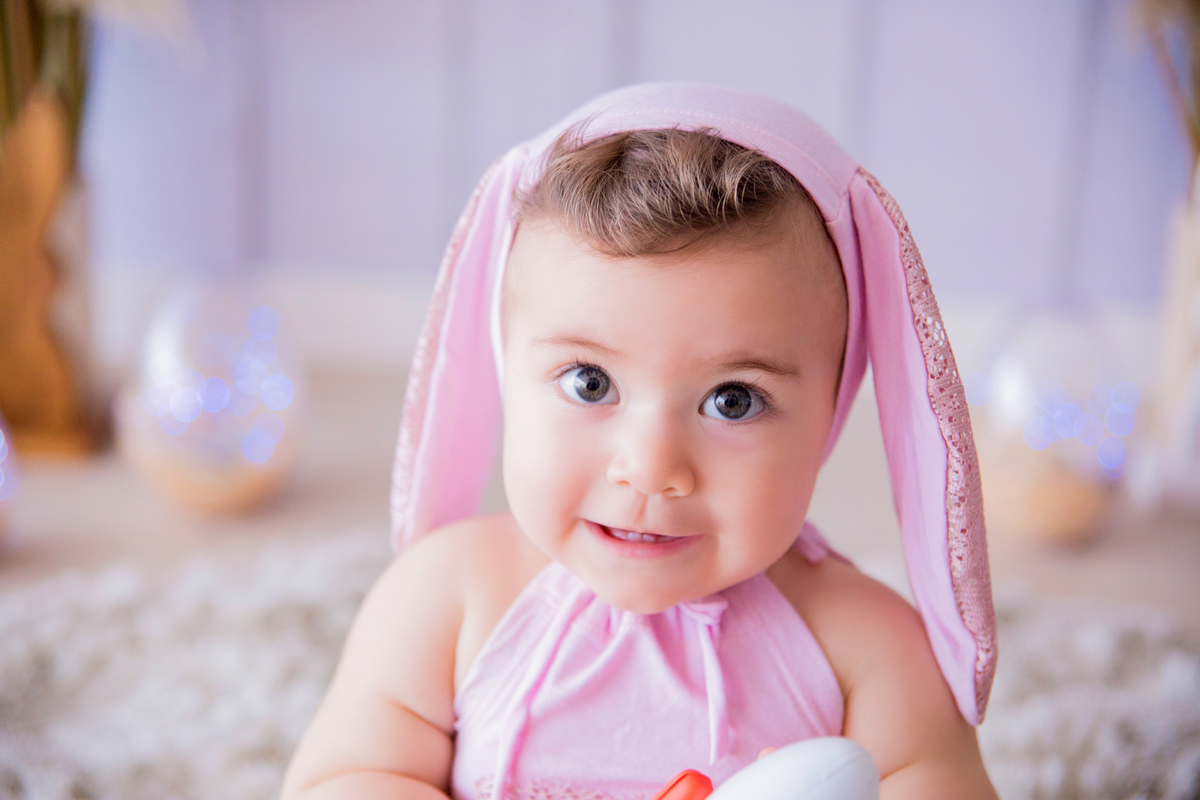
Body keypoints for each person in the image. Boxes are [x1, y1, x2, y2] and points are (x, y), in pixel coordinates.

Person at [281, 83, 999, 800]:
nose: (652, 469)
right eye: (590, 383)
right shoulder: (446, 598)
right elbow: (343, 780)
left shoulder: (869, 647)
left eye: (733, 400)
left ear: (832, 410)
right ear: (507, 373)